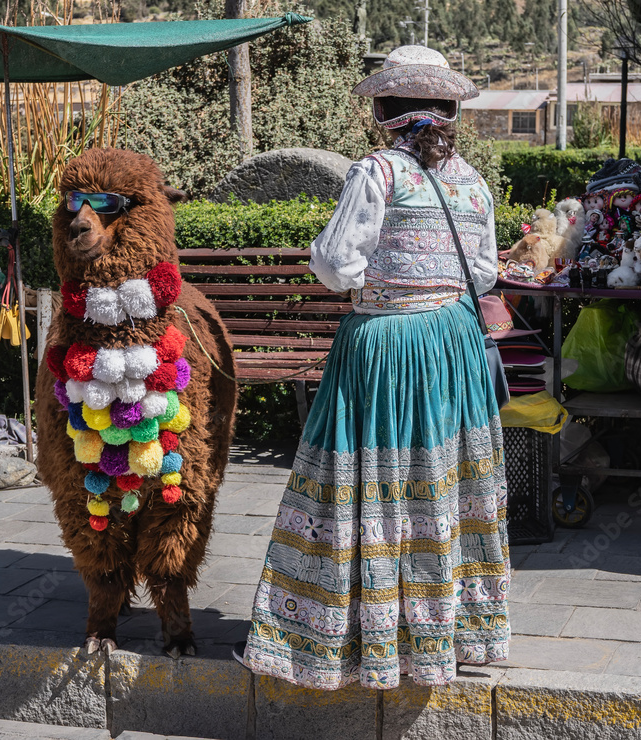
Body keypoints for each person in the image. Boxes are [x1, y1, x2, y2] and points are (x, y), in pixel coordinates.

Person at [236, 45, 509, 690]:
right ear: (448, 112)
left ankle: (352, 640)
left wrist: (379, 288)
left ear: (386, 110)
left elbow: (335, 264)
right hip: (455, 343)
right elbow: (485, 272)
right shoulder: (471, 182)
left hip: (386, 346)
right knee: (444, 481)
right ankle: (448, 636)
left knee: (364, 481)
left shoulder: (377, 173)